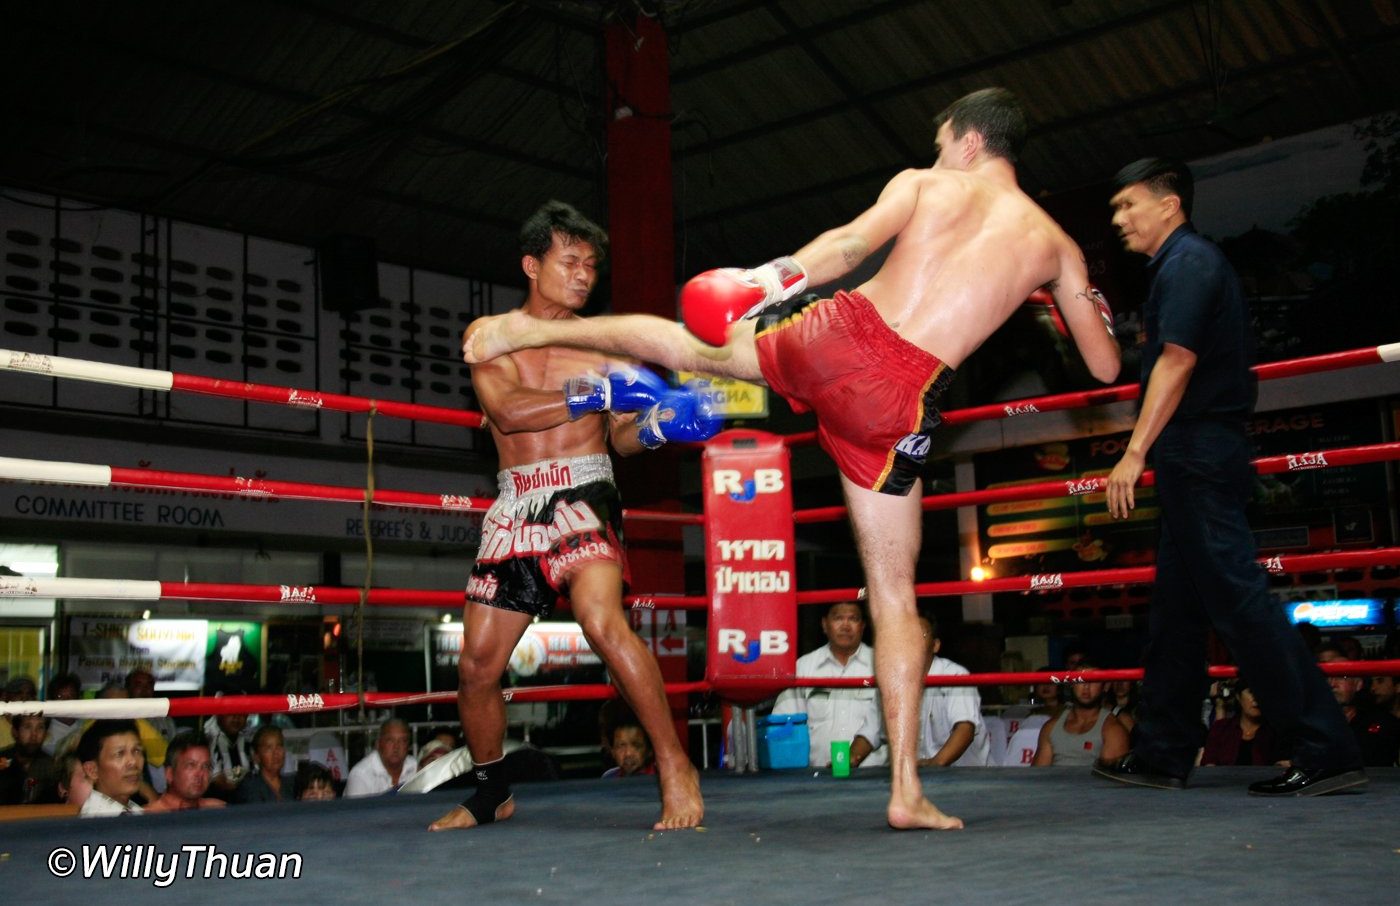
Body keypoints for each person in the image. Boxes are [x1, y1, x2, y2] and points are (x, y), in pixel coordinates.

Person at [462, 88, 1122, 830]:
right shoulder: (1056, 245)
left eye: (942, 142)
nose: (940, 153)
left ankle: (512, 336)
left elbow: (844, 248)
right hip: (901, 402)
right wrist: (1073, 299)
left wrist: (761, 283)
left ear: (968, 142)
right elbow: (1103, 368)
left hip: (836, 337)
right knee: (894, 592)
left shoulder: (926, 183)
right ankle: (905, 790)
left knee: (685, 344)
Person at [431, 201, 711, 833]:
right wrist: (592, 392)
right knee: (477, 665)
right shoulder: (492, 334)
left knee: (601, 620)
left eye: (591, 265)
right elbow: (509, 413)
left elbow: (621, 437)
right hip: (517, 501)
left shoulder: (603, 347)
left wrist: (665, 425)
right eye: (570, 261)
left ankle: (674, 765)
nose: (584, 275)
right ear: (532, 265)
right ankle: (491, 791)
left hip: (585, 493)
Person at [1095, 157, 1364, 796]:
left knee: (1240, 606)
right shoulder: (1178, 267)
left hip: (1198, 452)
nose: (1120, 218)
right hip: (1194, 454)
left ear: (1170, 205)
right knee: (1176, 614)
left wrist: (1134, 452)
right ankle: (1163, 750)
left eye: (1129, 204)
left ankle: (1326, 748)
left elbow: (1178, 360)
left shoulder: (1189, 264)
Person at [861, 615, 991, 767]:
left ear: (935, 645)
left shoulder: (955, 675)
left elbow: (965, 729)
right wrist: (851, 758)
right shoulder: (891, 682)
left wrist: (935, 764)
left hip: (969, 779)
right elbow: (870, 733)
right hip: (923, 778)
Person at [770, 601, 886, 769]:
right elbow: (785, 723)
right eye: (838, 618)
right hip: (816, 777)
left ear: (863, 626)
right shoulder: (803, 667)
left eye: (853, 619)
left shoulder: (883, 664)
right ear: (825, 625)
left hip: (873, 776)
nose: (845, 625)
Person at [1033, 670, 1129, 766]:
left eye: (1092, 680)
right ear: (1072, 683)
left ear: (1105, 686)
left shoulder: (1113, 730)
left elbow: (1109, 779)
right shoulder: (1051, 727)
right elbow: (1038, 775)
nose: (1086, 687)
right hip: (1054, 780)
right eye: (1080, 680)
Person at [76, 719, 146, 817]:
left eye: (137, 751)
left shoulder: (139, 813)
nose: (133, 762)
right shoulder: (93, 823)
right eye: (119, 754)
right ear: (92, 770)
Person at [1199, 683, 1281, 767]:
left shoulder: (1276, 731)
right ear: (1238, 696)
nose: (1257, 698)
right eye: (1251, 692)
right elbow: (1208, 763)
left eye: (1262, 693)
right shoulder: (1220, 728)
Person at [145, 732, 226, 812]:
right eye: (191, 765)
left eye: (206, 766)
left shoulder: (218, 810)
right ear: (169, 774)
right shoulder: (149, 816)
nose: (200, 774)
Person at [346, 718, 417, 797]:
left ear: (408, 746)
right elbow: (356, 809)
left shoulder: (415, 768)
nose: (396, 747)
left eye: (402, 741)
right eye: (390, 741)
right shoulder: (360, 775)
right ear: (378, 744)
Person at [0, 713, 58, 804]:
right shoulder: (2, 760)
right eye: (27, 727)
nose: (34, 735)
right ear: (15, 732)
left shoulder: (52, 767)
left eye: (40, 728)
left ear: (46, 734)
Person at [233, 725, 294, 804]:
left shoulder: (291, 784)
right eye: (269, 748)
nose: (276, 753)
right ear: (256, 757)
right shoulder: (250, 787)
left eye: (279, 746)